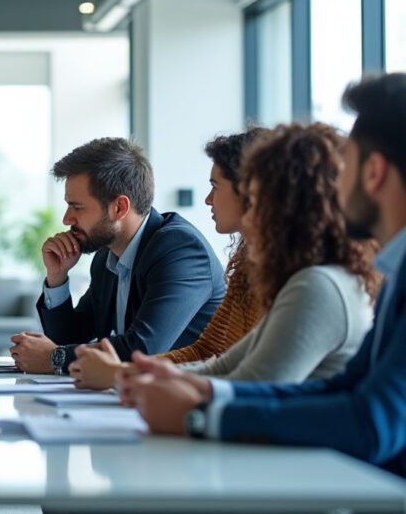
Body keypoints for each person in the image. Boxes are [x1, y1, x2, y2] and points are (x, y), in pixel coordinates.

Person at [124, 73, 406, 477]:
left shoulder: (324, 284)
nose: (334, 189)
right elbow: (343, 388)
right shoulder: (393, 274)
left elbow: (371, 423)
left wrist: (202, 415)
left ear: (373, 172)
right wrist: (203, 393)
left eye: (346, 168)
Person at [93, 124, 379, 395]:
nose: (249, 214)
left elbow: (250, 386)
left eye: (255, 200)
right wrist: (129, 373)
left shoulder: (317, 285)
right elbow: (222, 362)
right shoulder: (269, 270)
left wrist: (125, 376)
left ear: (285, 207)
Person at [68, 130, 268, 390]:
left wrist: (121, 374)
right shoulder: (246, 268)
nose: (207, 199)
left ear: (250, 193)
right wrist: (126, 372)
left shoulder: (179, 247)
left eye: (214, 187)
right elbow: (209, 353)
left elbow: (260, 378)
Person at [9, 138, 226, 375]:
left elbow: (144, 348)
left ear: (120, 208)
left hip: (187, 401)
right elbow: (70, 337)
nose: (66, 219)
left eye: (77, 207)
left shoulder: (179, 250)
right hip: (135, 396)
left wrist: (55, 357)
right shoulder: (106, 257)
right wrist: (57, 277)